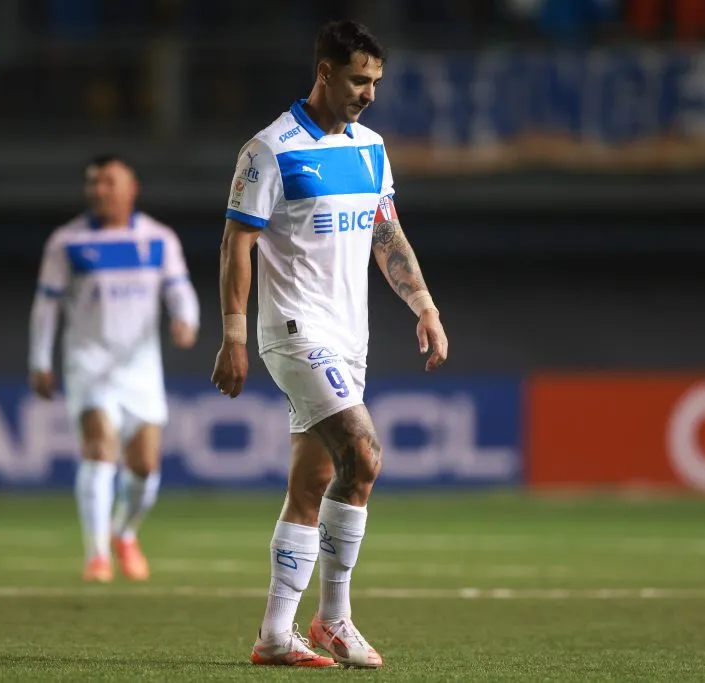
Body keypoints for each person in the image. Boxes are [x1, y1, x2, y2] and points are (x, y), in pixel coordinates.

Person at [211, 19, 448, 669]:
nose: (369, 92)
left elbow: (386, 232)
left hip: (350, 336)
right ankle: (334, 617)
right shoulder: (270, 149)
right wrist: (233, 333)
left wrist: (423, 303)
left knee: (315, 481)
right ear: (324, 72)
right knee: (365, 455)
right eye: (357, 79)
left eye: (376, 81)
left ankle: (274, 634)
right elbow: (238, 242)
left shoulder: (372, 148)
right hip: (294, 329)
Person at [29, 154, 200, 582]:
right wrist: (39, 359)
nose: (98, 191)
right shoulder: (65, 242)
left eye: (108, 182)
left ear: (131, 189)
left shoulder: (159, 238)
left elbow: (180, 291)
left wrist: (187, 321)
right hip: (87, 363)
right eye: (93, 183)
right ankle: (97, 554)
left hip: (140, 368)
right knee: (99, 446)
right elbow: (46, 305)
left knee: (144, 466)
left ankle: (124, 533)